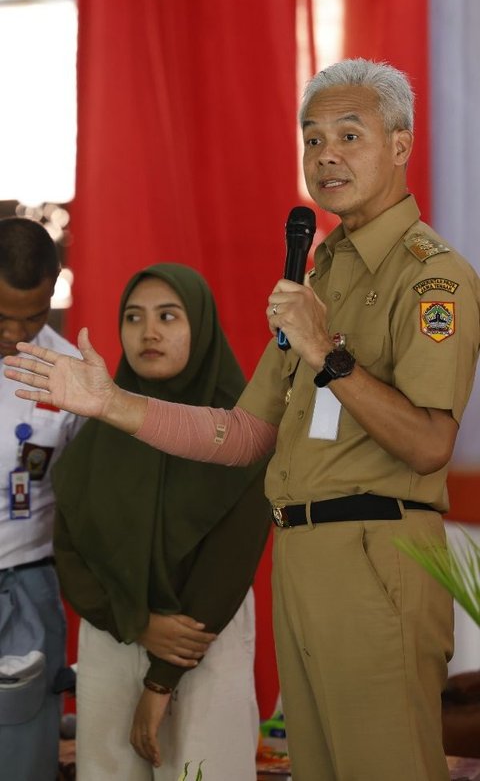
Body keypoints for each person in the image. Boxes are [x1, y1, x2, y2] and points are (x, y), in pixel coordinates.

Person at [4, 58, 480, 781]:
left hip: (377, 550)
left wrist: (327, 353)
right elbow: (244, 434)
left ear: (402, 145)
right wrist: (111, 404)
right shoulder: (320, 275)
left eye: (349, 136)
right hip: (302, 554)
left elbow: (428, 442)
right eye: (312, 138)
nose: (326, 155)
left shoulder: (432, 275)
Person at [49, 263, 270, 780]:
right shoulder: (99, 431)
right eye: (134, 317)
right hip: (114, 634)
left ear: (200, 325)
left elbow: (229, 563)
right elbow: (69, 549)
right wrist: (136, 622)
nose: (148, 332)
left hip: (202, 640)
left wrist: (161, 680)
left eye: (168, 316)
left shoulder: (238, 429)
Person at [0, 216, 84, 780]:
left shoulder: (71, 375)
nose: (14, 333)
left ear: (54, 287)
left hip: (29, 583)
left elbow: (87, 495)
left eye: (31, 317)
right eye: (2, 316)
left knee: (25, 755)